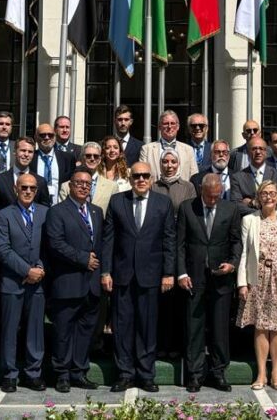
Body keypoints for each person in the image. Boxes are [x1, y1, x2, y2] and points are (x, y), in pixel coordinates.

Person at [101, 162, 176, 393]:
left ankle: (145, 374)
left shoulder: (163, 203)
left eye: (145, 176)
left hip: (151, 276)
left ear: (151, 179)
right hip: (122, 276)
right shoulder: (117, 201)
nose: (141, 180)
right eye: (137, 176)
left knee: (147, 326)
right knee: (122, 327)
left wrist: (168, 273)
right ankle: (125, 373)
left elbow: (169, 240)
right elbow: (108, 240)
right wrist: (105, 271)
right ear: (130, 178)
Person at [176, 174, 242, 393]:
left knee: (220, 327)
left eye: (217, 196)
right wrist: (182, 274)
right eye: (210, 197)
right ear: (201, 191)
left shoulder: (230, 209)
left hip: (221, 279)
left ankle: (218, 372)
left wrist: (232, 264)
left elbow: (236, 242)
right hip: (194, 278)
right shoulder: (187, 208)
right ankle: (195, 374)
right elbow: (180, 245)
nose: (213, 200)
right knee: (194, 328)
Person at [237, 181, 277, 391]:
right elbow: (245, 252)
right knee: (261, 326)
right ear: (258, 196)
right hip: (258, 278)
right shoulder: (249, 220)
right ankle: (261, 373)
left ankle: (276, 374)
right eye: (264, 193)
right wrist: (242, 283)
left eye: (272, 193)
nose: (269, 197)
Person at [45, 168, 105, 393]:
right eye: (78, 182)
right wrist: (83, 259)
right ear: (70, 185)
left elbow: (101, 244)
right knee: (63, 332)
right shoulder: (57, 212)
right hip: (67, 283)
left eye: (87, 183)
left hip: (91, 284)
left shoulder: (97, 212)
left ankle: (79, 372)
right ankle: (61, 374)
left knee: (85, 332)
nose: (83, 186)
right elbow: (55, 244)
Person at [0, 172, 49, 392]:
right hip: (12, 281)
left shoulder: (46, 213)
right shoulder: (4, 214)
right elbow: (2, 249)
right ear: (16, 189)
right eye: (23, 188)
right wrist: (27, 270)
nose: (28, 192)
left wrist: (40, 269)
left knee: (35, 330)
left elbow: (50, 245)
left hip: (38, 282)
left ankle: (33, 373)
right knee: (9, 329)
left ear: (37, 191)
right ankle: (9, 374)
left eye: (32, 188)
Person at [0, 137, 48, 211]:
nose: (26, 154)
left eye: (30, 152)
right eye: (23, 150)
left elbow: (45, 210)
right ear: (14, 152)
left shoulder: (40, 181)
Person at [140, 110, 198, 182]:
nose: (169, 126)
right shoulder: (146, 150)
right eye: (166, 123)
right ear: (159, 127)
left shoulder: (188, 150)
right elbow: (142, 175)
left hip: (181, 192)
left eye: (173, 123)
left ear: (178, 127)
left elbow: (194, 177)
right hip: (154, 191)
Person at [230, 137, 277, 211]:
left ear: (266, 152)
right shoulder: (238, 177)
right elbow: (235, 205)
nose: (258, 152)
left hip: (272, 221)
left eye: (261, 149)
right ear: (248, 152)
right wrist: (259, 213)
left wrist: (252, 203)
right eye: (254, 149)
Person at [59, 141, 118, 210]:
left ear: (99, 160)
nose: (92, 159)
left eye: (95, 156)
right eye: (88, 156)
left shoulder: (111, 187)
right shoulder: (66, 187)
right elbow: (62, 212)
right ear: (81, 158)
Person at [32, 123, 75, 205]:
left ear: (55, 137)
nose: (47, 138)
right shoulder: (31, 158)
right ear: (36, 138)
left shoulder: (68, 158)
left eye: (50, 135)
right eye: (42, 135)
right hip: (36, 206)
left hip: (60, 206)